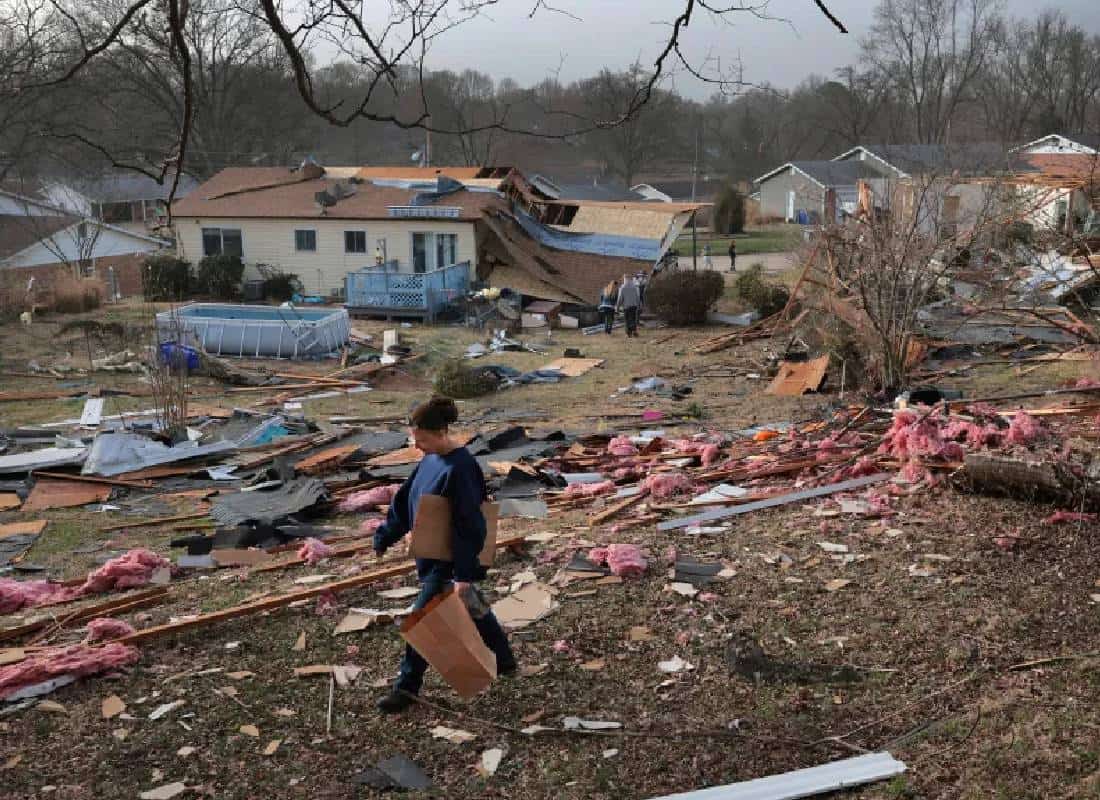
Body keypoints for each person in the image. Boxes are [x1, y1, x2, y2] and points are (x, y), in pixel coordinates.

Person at [372, 396, 516, 713]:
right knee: (472, 605)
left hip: (449, 561)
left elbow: (471, 524)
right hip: (431, 555)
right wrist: (385, 536)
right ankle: (504, 660)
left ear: (440, 433)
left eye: (422, 440)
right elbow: (405, 502)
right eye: (415, 440)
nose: (418, 446)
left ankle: (406, 689)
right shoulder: (430, 461)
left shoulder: (461, 468)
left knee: (422, 621)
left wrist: (463, 574)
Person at [617, 273, 641, 338]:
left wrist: (617, 307)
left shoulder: (623, 287)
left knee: (627, 320)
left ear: (625, 279)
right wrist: (639, 305)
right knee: (633, 319)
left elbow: (620, 299)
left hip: (626, 307)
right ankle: (634, 331)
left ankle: (628, 333)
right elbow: (637, 297)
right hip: (634, 306)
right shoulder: (634, 287)